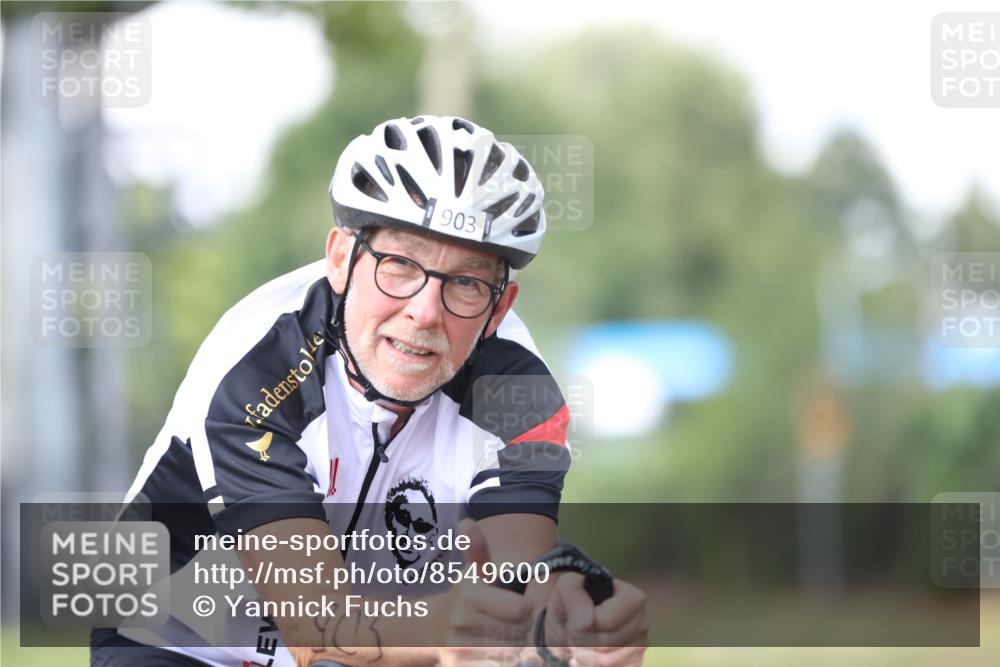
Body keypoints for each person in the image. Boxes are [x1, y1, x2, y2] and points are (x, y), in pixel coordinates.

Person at [91, 115, 648, 667]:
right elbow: (315, 628)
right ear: (341, 258)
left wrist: (568, 630)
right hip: (175, 640)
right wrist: (457, 631)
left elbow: (518, 583)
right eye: (400, 265)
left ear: (499, 308)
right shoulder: (256, 367)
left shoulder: (520, 396)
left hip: (380, 640)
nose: (424, 312)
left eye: (466, 282)